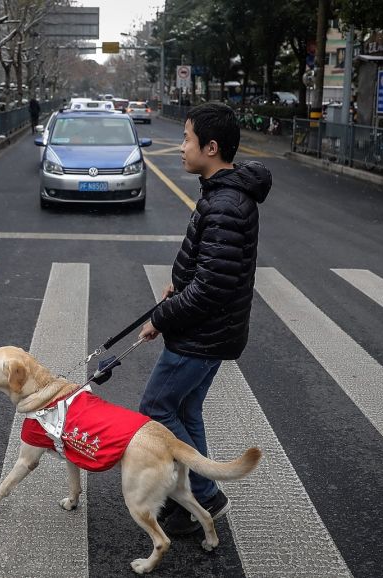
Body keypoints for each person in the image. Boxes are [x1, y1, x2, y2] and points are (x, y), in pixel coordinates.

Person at [137, 102, 272, 535]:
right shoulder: (221, 194)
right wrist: (179, 282)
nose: (180, 147)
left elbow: (212, 287)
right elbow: (209, 268)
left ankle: (207, 498)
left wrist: (162, 317)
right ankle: (197, 498)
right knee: (186, 409)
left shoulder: (227, 203)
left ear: (211, 148)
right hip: (212, 332)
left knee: (156, 407)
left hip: (201, 335)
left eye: (187, 139)